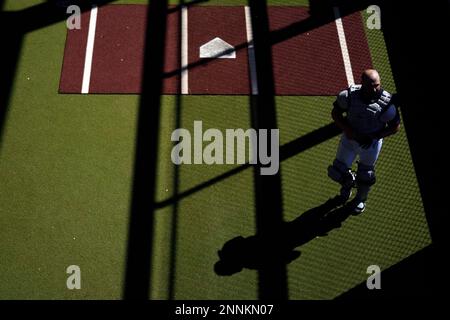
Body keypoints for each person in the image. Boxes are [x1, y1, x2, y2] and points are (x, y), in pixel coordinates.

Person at [328, 69, 401, 214]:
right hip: (349, 140)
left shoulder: (386, 103)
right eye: (371, 86)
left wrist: (374, 137)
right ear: (362, 84)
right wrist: (347, 129)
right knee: (336, 172)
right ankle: (348, 182)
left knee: (366, 175)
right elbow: (335, 113)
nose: (375, 89)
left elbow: (394, 127)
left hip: (370, 144)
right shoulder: (349, 96)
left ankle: (360, 199)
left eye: (377, 85)